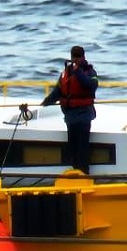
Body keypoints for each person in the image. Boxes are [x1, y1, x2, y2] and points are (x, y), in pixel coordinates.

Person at [40, 45, 98, 173]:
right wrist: (46, 102)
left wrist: (78, 72)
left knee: (82, 147)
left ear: (83, 57)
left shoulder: (90, 72)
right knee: (72, 147)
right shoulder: (65, 73)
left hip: (84, 115)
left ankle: (84, 173)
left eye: (79, 57)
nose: (76, 60)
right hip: (71, 116)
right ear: (71, 57)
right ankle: (75, 171)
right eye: (74, 57)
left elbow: (91, 85)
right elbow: (58, 91)